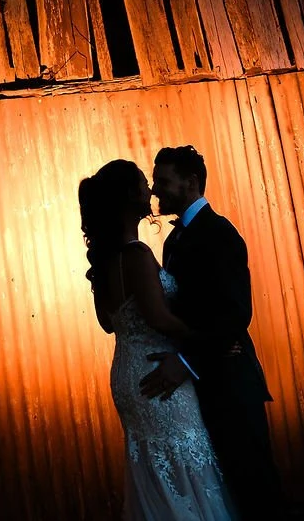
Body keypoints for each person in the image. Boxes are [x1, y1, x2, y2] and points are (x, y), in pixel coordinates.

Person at [82, 159, 237, 521]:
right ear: (126, 198)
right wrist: (208, 341)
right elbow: (159, 317)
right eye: (141, 184)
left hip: (127, 372)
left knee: (154, 467)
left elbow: (109, 323)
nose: (149, 191)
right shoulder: (136, 255)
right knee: (184, 465)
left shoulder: (104, 262)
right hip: (156, 371)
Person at [140, 146, 284, 521]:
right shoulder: (174, 241)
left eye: (163, 182)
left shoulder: (220, 234)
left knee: (253, 489)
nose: (156, 191)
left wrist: (187, 361)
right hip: (198, 388)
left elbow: (235, 314)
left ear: (190, 183)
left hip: (230, 383)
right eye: (155, 182)